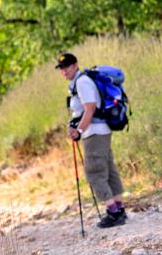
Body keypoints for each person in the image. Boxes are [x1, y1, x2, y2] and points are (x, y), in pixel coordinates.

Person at [56, 53, 126, 228]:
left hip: (94, 132)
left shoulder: (82, 82)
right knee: (109, 170)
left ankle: (113, 212)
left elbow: (90, 109)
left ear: (75, 65)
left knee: (94, 172)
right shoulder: (80, 82)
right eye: (61, 68)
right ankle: (119, 209)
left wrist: (79, 130)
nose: (64, 71)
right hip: (100, 130)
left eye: (67, 67)